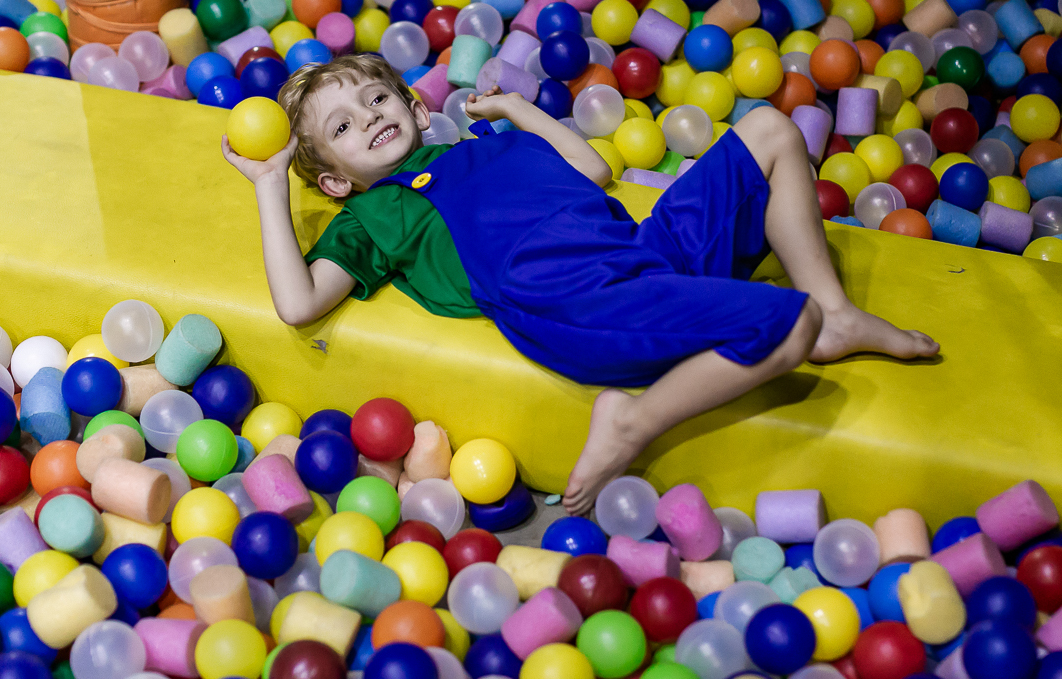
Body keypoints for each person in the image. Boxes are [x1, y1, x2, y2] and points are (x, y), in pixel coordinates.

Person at [222, 55, 939, 516]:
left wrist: (518, 112)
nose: (371, 118)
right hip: (575, 301)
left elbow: (593, 172)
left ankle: (842, 317)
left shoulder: (491, 147)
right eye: (344, 126)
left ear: (414, 106)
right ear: (338, 180)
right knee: (789, 322)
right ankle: (634, 420)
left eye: (377, 100)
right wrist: (267, 187)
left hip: (640, 250)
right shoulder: (377, 212)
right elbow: (298, 303)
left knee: (773, 129)